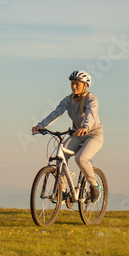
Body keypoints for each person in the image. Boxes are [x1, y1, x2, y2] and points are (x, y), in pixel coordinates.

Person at [32, 70, 103, 201]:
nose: (74, 87)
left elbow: (90, 114)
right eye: (72, 84)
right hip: (77, 133)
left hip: (93, 135)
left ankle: (94, 185)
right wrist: (41, 125)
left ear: (85, 86)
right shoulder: (68, 100)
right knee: (61, 156)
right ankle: (63, 191)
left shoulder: (91, 99)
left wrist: (86, 127)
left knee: (81, 159)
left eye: (77, 84)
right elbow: (56, 113)